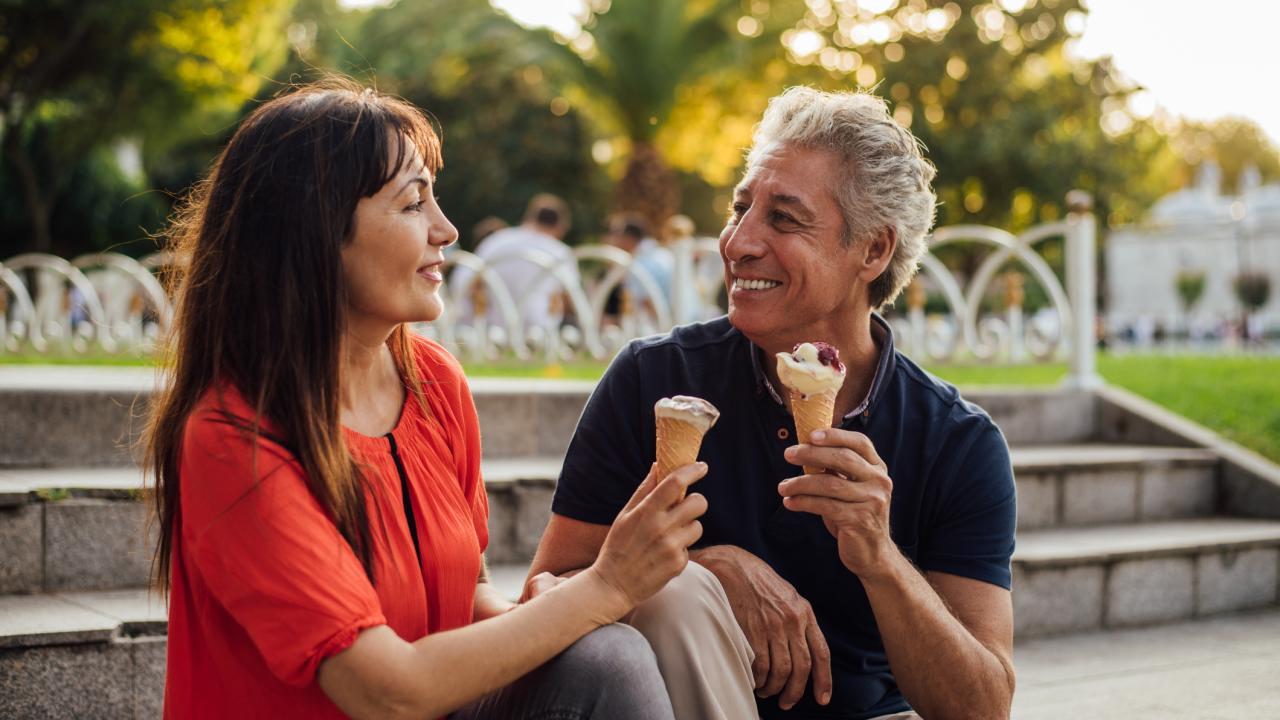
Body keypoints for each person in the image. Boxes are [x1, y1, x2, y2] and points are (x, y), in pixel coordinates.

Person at [144, 78, 708, 719]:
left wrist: (570, 603)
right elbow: (384, 692)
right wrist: (603, 587)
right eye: (414, 205)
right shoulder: (234, 438)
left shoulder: (435, 383)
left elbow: (468, 597)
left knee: (607, 657)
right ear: (316, 230)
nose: (447, 229)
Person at [529, 86, 1017, 719]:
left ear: (873, 250)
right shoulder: (655, 378)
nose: (738, 242)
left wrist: (880, 558)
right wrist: (700, 569)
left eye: (783, 219)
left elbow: (983, 708)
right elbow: (544, 597)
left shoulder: (956, 441)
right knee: (677, 593)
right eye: (741, 208)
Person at [450, 194, 581, 333]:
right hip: (538, 333)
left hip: (489, 330)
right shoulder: (560, 252)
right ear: (560, 227)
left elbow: (461, 282)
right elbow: (574, 302)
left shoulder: (496, 240)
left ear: (529, 217)